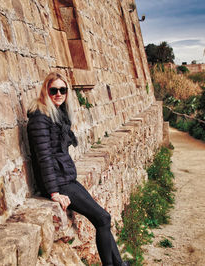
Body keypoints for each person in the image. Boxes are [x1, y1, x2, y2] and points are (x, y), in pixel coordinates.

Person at [27, 72, 128, 266]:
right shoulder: (40, 118)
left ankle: (119, 264)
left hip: (65, 177)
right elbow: (44, 158)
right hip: (58, 182)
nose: (59, 94)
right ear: (46, 91)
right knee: (102, 218)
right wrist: (54, 192)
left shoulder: (58, 115)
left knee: (103, 218)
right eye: (54, 90)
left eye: (62, 90)